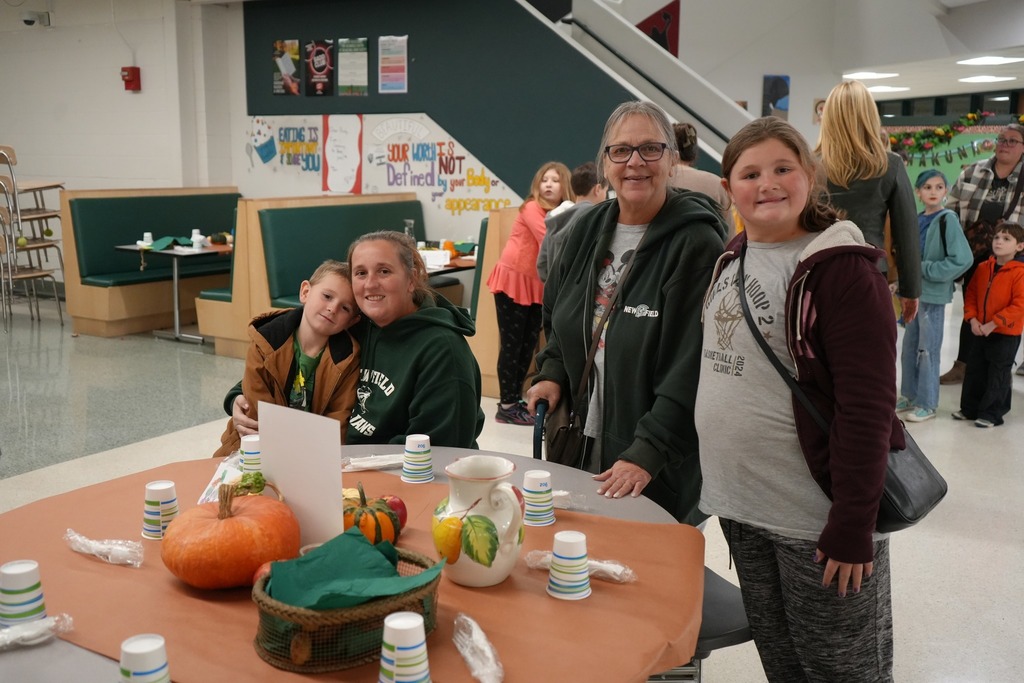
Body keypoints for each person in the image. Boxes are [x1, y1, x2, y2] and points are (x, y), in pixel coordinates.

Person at [695, 116, 900, 681]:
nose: (768, 184)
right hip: (743, 510)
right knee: (783, 664)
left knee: (840, 669)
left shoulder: (842, 272)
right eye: (750, 172)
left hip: (817, 521)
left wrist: (853, 525)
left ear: (809, 176)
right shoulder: (732, 256)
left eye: (783, 169)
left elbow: (869, 408)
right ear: (728, 186)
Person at [526, 101, 727, 525]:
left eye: (650, 149)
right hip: (582, 443)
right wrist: (551, 371)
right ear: (605, 163)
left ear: (672, 160)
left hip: (655, 460)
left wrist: (648, 451)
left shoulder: (696, 244)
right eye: (621, 151)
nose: (635, 162)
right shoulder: (585, 229)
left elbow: (692, 366)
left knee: (647, 578)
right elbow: (560, 318)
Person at [225, 231, 485, 448]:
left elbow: (438, 450)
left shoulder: (443, 350)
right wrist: (238, 398)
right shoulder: (355, 323)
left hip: (392, 477)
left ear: (411, 278)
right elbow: (284, 360)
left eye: (384, 271)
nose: (370, 284)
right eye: (360, 273)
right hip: (327, 458)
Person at [213, 260, 361, 458]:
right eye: (327, 296)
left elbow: (338, 421)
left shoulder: (348, 359)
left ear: (352, 321)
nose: (332, 308)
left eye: (345, 308)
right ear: (305, 292)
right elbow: (256, 410)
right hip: (251, 447)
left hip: (313, 455)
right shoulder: (266, 340)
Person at [817, 79, 921, 324]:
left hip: (818, 270)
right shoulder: (890, 165)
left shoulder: (810, 166)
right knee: (866, 349)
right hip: (870, 271)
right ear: (869, 115)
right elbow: (907, 232)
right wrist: (910, 290)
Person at [486, 161, 573, 426]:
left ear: (564, 186)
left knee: (527, 347)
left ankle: (514, 399)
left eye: (555, 180)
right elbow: (548, 237)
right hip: (513, 281)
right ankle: (507, 405)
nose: (548, 184)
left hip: (536, 286)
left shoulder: (559, 213)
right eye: (544, 179)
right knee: (512, 346)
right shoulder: (532, 208)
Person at [940, 123, 1024, 384]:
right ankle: (964, 364)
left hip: (1015, 260)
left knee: (1008, 312)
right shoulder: (973, 171)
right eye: (1001, 139)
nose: (1004, 144)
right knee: (973, 310)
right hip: (975, 257)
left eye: (1012, 141)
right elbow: (951, 208)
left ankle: (997, 367)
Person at [897, 170, 972, 423]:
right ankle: (908, 394)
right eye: (927, 187)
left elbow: (963, 259)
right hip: (913, 295)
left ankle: (927, 403)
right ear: (918, 192)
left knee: (927, 350)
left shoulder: (946, 219)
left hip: (934, 296)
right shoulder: (917, 219)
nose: (933, 191)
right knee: (909, 348)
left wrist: (927, 269)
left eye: (939, 187)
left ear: (945, 191)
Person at [954, 222, 1024, 427]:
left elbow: (1019, 305)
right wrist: (972, 319)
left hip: (1005, 333)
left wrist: (994, 323)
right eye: (997, 238)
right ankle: (969, 409)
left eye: (1006, 239)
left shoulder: (1020, 272)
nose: (999, 242)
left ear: (1019, 246)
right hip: (980, 329)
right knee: (975, 369)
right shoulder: (984, 267)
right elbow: (972, 294)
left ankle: (992, 413)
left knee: (998, 373)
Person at [536, 162, 608, 284]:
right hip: (581, 294)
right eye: (605, 191)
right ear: (597, 189)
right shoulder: (595, 218)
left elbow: (542, 264)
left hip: (557, 294)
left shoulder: (556, 218)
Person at [669, 121, 734, 235]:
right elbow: (730, 237)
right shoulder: (716, 183)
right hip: (709, 250)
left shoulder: (655, 181)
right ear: (693, 152)